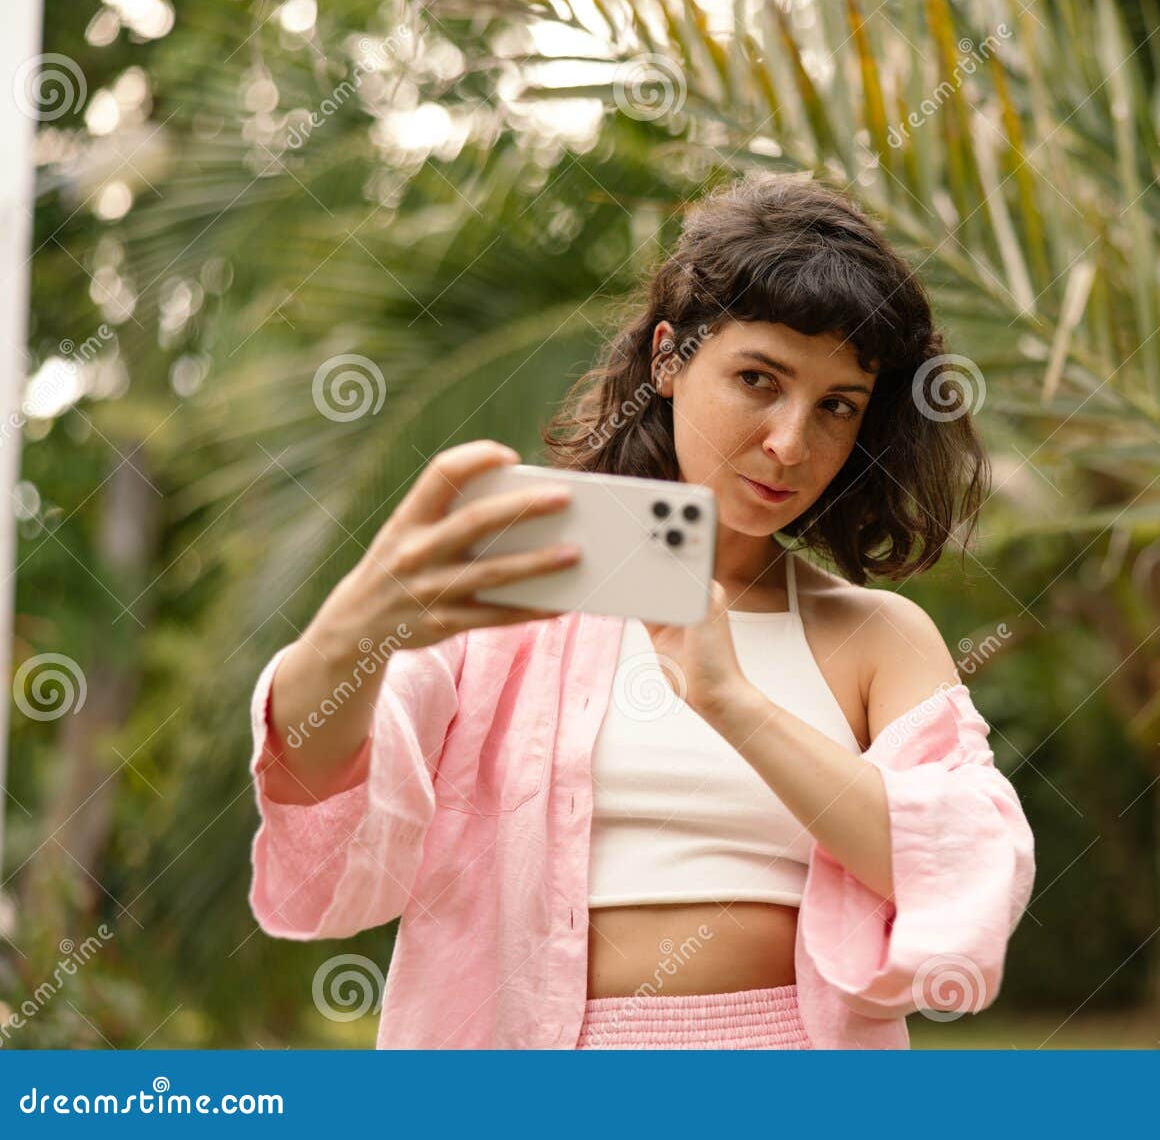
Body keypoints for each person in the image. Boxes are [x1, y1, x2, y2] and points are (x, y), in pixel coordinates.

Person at [246, 171, 1036, 1049]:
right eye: (757, 378)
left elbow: (963, 867)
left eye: (836, 406)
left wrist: (733, 703)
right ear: (668, 357)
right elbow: (326, 785)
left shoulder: (875, 636)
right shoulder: (522, 580)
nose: (789, 441)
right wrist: (358, 624)